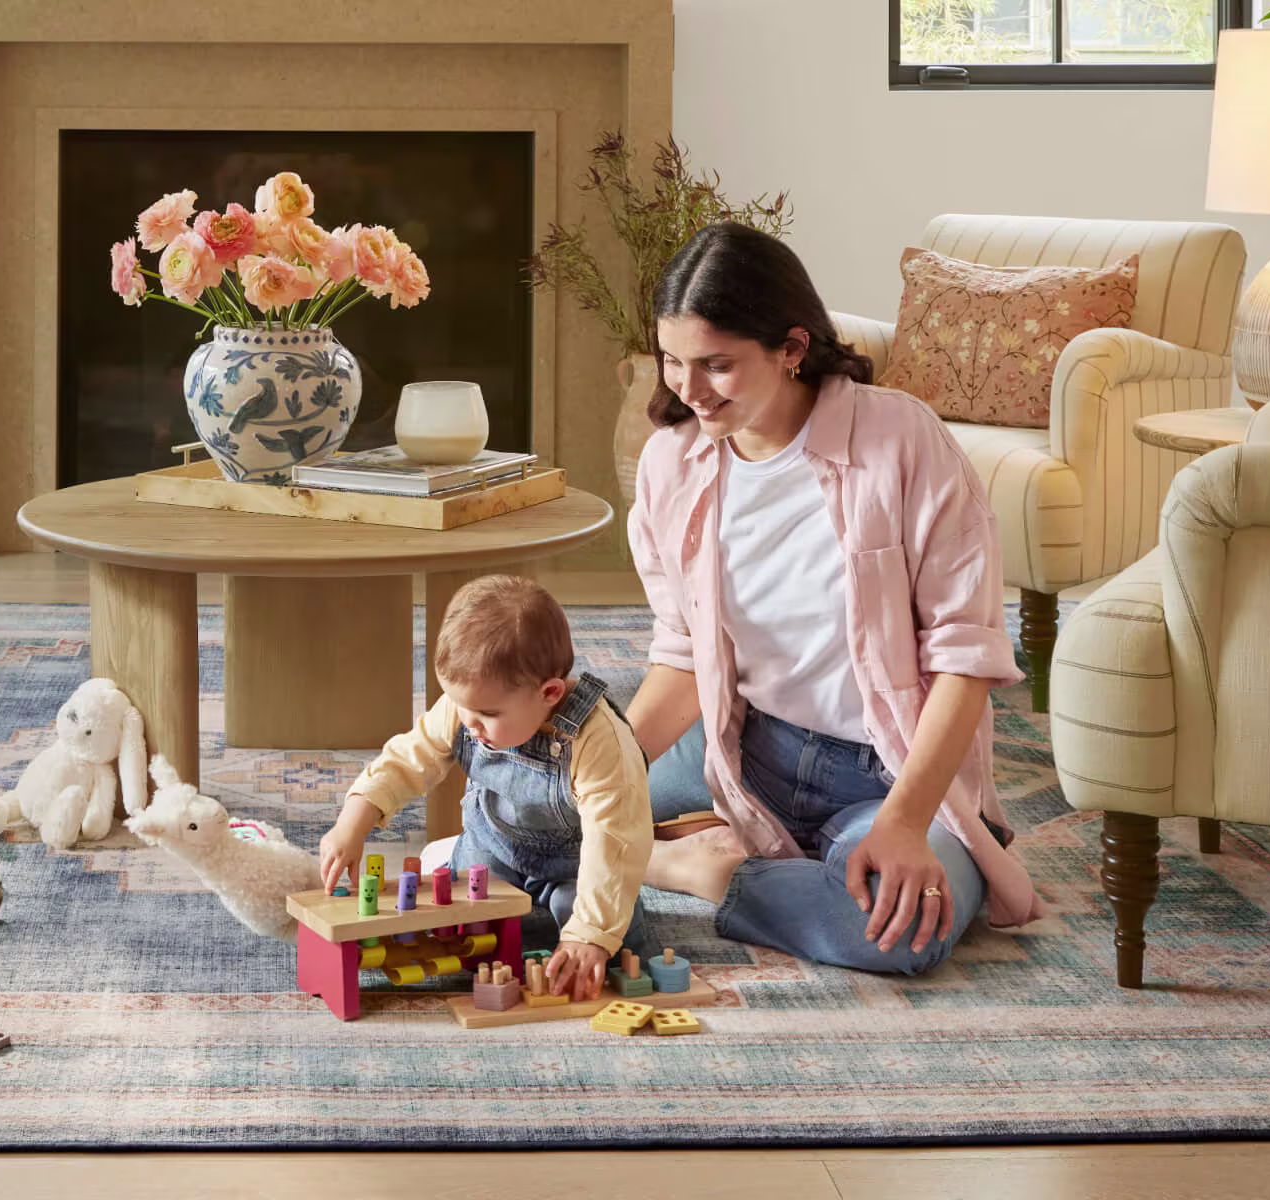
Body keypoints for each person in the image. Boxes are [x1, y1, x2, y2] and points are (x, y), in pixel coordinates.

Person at [623, 222, 1049, 975]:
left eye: (717, 365)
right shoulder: (672, 462)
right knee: (541, 793)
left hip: (887, 774)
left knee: (894, 930)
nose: (688, 389)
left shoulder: (901, 440)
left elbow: (966, 658)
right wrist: (594, 777)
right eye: (673, 361)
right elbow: (685, 655)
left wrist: (906, 822)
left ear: (791, 348)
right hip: (745, 746)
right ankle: (683, 837)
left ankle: (691, 867)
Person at [317, 574, 651, 1001]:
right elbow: (406, 759)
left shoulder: (600, 741)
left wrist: (591, 933)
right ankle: (468, 870)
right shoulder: (469, 707)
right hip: (493, 847)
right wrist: (354, 820)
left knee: (605, 945)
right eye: (460, 706)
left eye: (487, 715)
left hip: (574, 864)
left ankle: (580, 923)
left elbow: (614, 840)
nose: (470, 724)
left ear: (549, 692)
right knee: (464, 933)